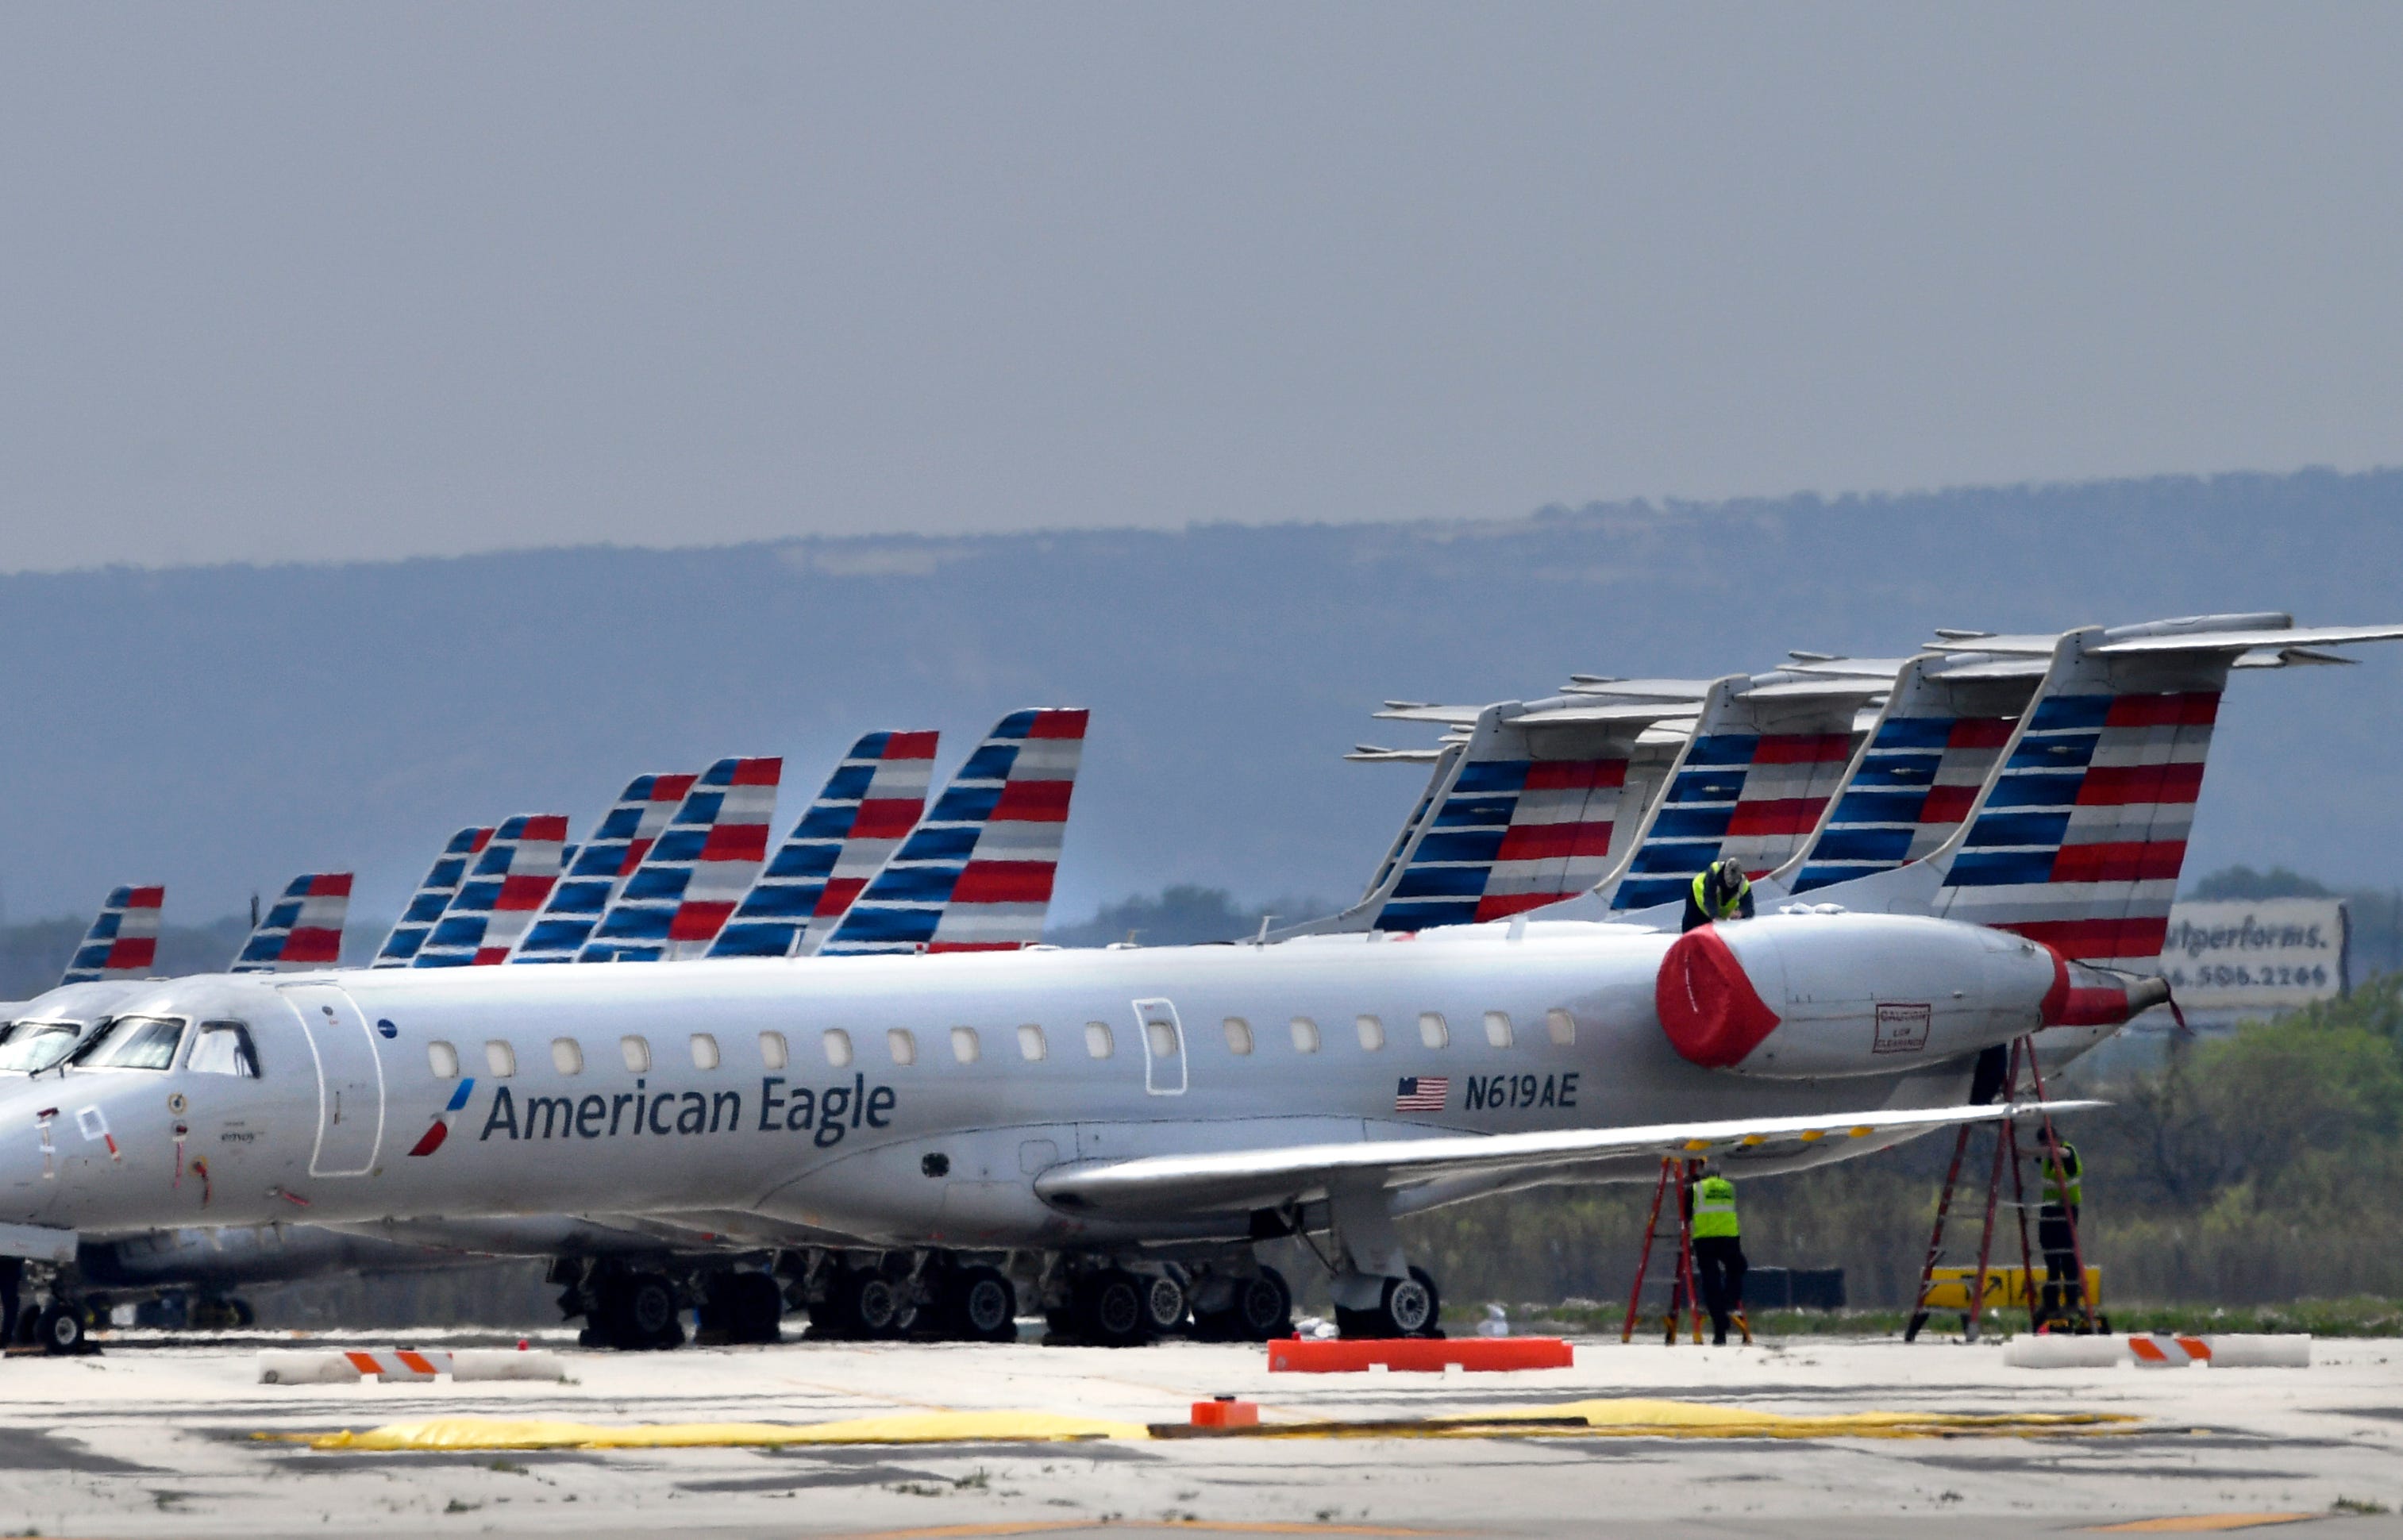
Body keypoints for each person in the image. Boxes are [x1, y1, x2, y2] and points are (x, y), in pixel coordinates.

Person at [1686, 1161, 1748, 1346]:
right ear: (1719, 1174)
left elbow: (1687, 1212)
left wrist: (1690, 1184)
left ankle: (1720, 1328)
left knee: (1710, 1282)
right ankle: (1729, 1300)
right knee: (1737, 1268)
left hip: (1704, 1240)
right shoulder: (1729, 1187)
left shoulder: (1695, 1189)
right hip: (1729, 1239)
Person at [2032, 1128, 2085, 1323]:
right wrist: (2026, 1153)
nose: (2043, 1148)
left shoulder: (2068, 1152)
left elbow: (2066, 1155)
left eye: (2046, 1143)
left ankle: (2072, 1301)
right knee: (2051, 1258)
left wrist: (2054, 1151)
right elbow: (2038, 1156)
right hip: (2049, 1210)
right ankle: (2051, 1304)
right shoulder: (2046, 1156)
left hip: (2067, 1210)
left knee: (2067, 1256)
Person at [1681, 857, 1756, 933]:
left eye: (1733, 885)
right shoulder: (1714, 872)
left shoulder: (1744, 885)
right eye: (1729, 883)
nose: (1730, 886)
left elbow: (1750, 909)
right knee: (1693, 929)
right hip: (1699, 899)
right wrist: (1715, 917)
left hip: (1721, 910)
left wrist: (1741, 913)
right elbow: (1709, 898)